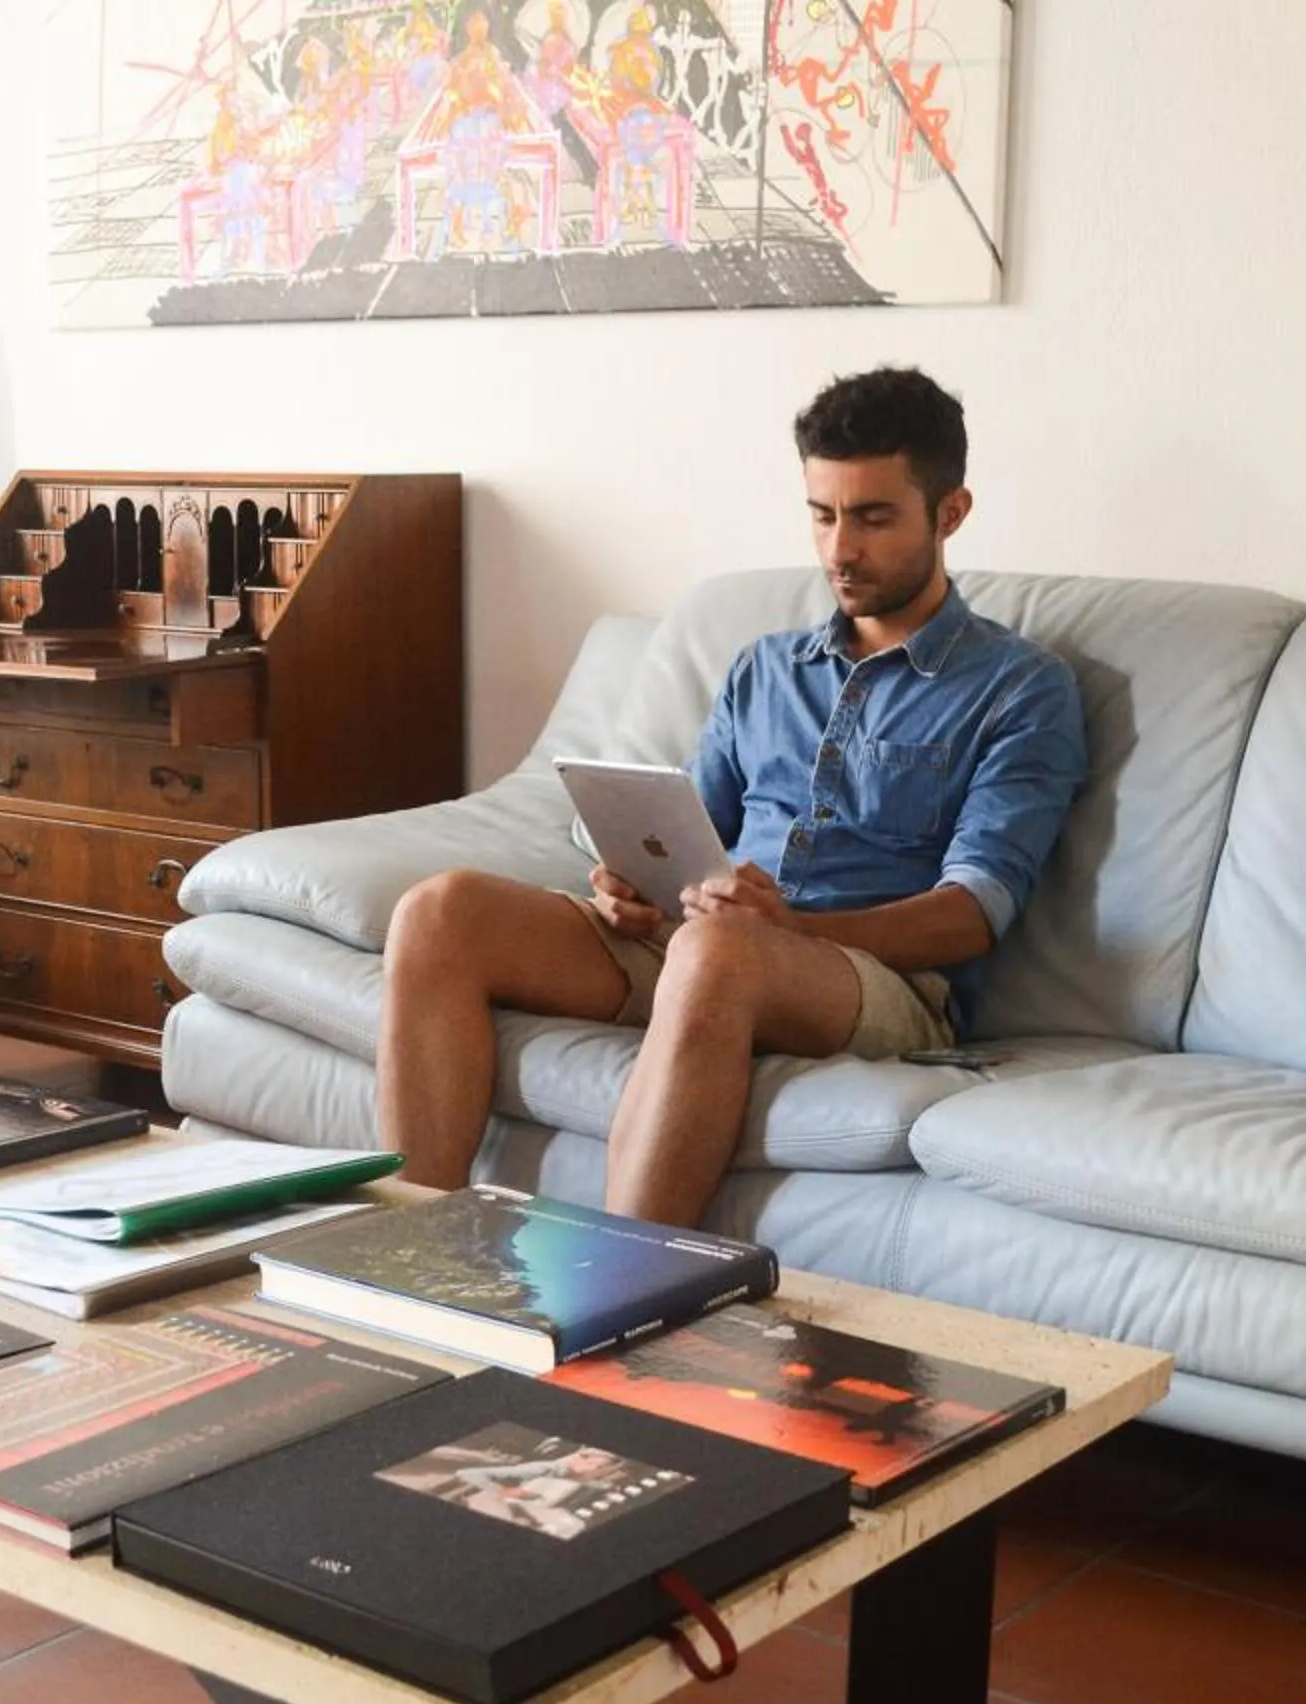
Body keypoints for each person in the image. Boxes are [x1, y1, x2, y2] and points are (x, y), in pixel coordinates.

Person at [377, 365, 1088, 1226]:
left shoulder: (1018, 688)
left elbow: (974, 912)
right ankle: (410, 1242)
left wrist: (790, 929)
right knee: (439, 912)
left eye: (872, 518)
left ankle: (621, 1287)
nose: (839, 550)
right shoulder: (765, 668)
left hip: (874, 979)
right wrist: (630, 884)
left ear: (950, 513)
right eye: (822, 515)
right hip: (707, 944)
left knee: (718, 953)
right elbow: (687, 833)